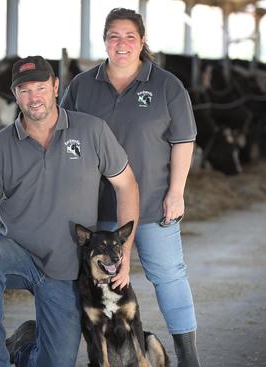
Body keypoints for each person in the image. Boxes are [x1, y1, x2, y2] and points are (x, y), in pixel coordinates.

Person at [0, 55, 139, 367]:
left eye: (40, 87)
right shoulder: (0, 146)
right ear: (15, 94)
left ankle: (23, 348)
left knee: (58, 361)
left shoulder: (91, 130)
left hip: (66, 267)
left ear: (55, 87)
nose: (33, 97)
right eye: (25, 90)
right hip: (17, 251)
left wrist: (126, 252)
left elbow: (126, 185)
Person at [61, 8, 202, 367]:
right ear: (104, 40)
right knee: (97, 285)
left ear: (142, 41)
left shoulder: (167, 85)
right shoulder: (82, 85)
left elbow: (184, 140)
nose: (121, 44)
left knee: (169, 276)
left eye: (129, 37)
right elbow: (62, 133)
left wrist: (176, 192)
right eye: (113, 36)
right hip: (98, 211)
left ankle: (189, 358)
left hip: (155, 203)